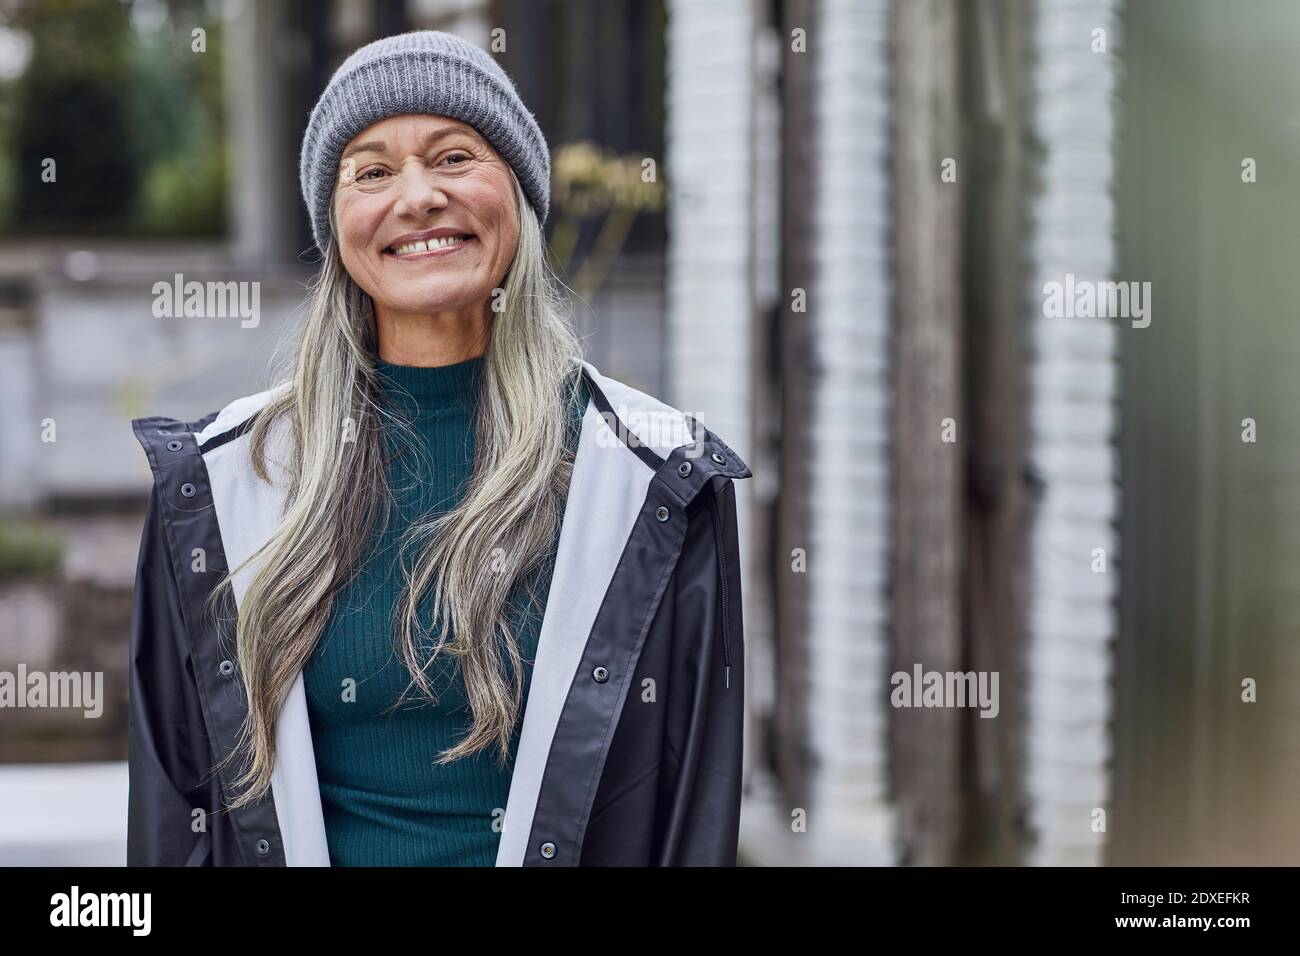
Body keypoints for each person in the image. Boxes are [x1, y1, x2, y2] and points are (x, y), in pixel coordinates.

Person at [126, 30, 752, 867]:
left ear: (519, 198)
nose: (416, 198)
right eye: (373, 171)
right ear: (337, 221)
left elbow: (690, 814)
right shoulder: (220, 484)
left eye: (455, 156)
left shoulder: (654, 480)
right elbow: (174, 816)